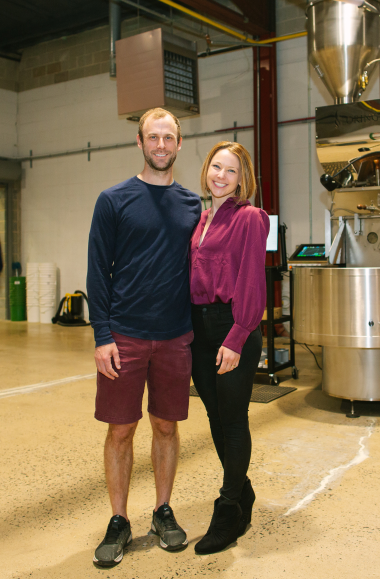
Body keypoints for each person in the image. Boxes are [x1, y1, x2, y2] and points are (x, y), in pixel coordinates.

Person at [86, 107, 201, 568]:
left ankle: (162, 510)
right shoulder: (113, 201)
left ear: (178, 143)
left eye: (167, 137)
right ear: (139, 142)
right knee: (121, 430)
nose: (160, 145)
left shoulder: (193, 205)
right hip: (125, 336)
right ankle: (119, 519)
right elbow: (97, 272)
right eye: (152, 137)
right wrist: (101, 335)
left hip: (175, 336)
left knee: (167, 426)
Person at [189, 141, 270, 554]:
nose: (221, 176)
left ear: (243, 179)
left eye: (231, 171)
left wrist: (237, 336)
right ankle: (244, 492)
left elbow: (254, 282)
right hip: (199, 330)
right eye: (216, 167)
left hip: (232, 324)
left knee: (234, 420)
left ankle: (228, 510)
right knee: (215, 417)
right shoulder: (201, 220)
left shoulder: (251, 218)